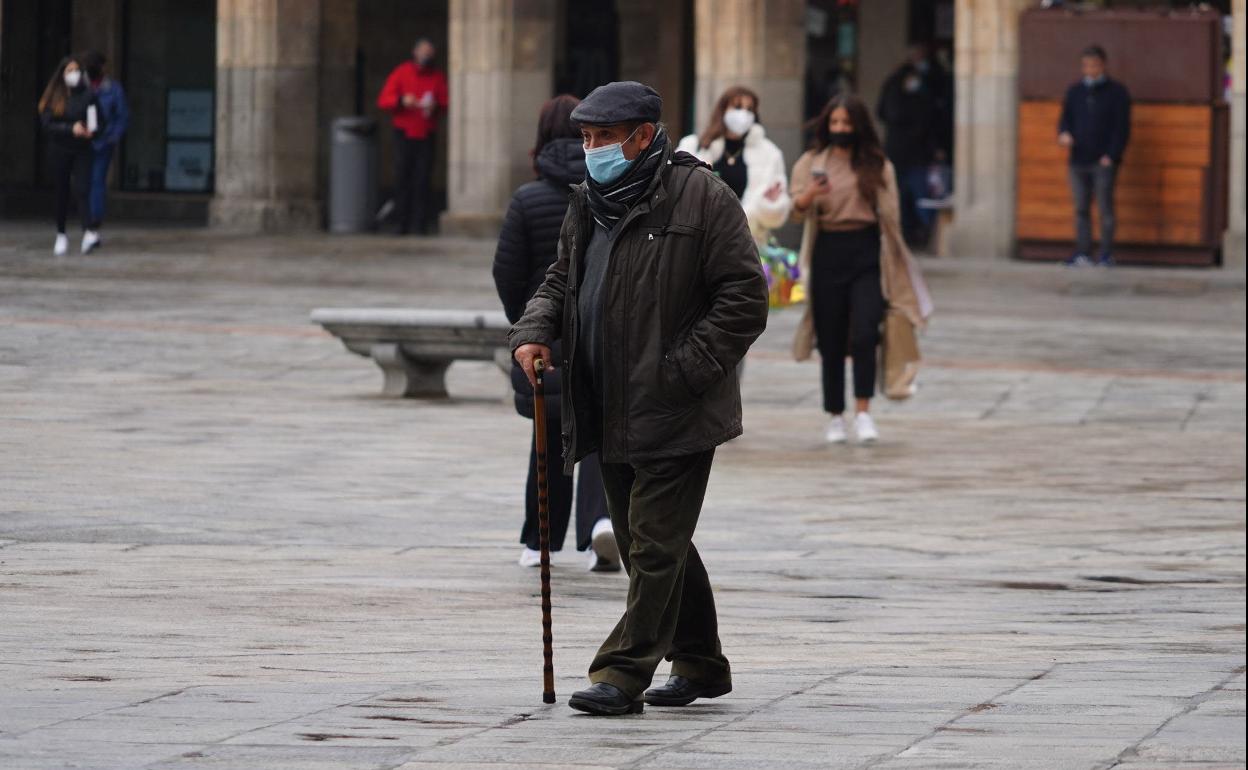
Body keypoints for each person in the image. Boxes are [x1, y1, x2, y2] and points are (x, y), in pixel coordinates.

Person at [509, 81, 769, 716]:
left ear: (643, 136)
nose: (592, 149)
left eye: (604, 138)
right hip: (606, 399)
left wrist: (683, 368)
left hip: (676, 403)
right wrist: (536, 329)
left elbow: (745, 296)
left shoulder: (701, 196)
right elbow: (561, 278)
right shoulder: (587, 203)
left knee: (653, 544)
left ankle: (622, 672)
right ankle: (702, 660)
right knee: (645, 541)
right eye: (586, 138)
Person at [493, 95, 618, 573]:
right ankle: (598, 529)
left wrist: (525, 324)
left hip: (540, 340)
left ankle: (538, 539)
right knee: (598, 434)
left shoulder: (527, 199)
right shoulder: (602, 195)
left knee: (546, 435)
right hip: (595, 333)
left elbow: (506, 273)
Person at [790, 94, 932, 445]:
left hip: (867, 250)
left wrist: (898, 265)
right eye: (835, 123)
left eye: (847, 123)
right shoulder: (811, 162)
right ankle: (835, 415)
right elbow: (795, 210)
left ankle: (864, 411)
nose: (840, 129)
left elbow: (893, 217)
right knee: (832, 337)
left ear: (859, 126)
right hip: (828, 251)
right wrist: (809, 194)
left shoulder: (877, 165)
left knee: (867, 331)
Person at [677, 85, 791, 244]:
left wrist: (769, 203)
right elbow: (678, 194)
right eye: (737, 107)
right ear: (723, 109)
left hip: (747, 243)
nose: (744, 113)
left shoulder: (770, 154)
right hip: (699, 242)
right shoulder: (693, 147)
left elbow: (777, 216)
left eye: (749, 109)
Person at [1058, 44, 1131, 267]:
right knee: (1081, 208)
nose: (1090, 69)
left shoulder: (1117, 93)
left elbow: (1122, 127)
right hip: (1078, 158)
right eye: (1086, 65)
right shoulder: (1075, 91)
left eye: (1094, 65)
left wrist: (1112, 154)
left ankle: (1106, 254)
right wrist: (1064, 134)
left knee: (1104, 208)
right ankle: (1083, 252)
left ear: (1103, 65)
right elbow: (1065, 119)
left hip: (1103, 160)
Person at [876, 43, 946, 246]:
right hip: (915, 153)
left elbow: (881, 112)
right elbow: (930, 116)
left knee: (904, 199)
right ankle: (919, 237)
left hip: (900, 151)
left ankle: (906, 237)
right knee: (918, 199)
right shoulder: (913, 88)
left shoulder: (895, 83)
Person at [377, 37, 448, 235]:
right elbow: (384, 100)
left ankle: (420, 224)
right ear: (415, 52)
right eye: (424, 51)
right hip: (404, 132)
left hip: (426, 132)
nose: (427, 55)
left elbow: (445, 102)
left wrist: (436, 106)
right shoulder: (402, 72)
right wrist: (402, 100)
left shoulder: (436, 77)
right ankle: (402, 223)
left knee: (422, 179)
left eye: (430, 52)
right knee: (402, 179)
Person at [38, 56, 98, 256]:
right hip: (60, 148)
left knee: (82, 188)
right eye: (69, 70)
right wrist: (70, 128)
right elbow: (47, 125)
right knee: (62, 191)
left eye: (76, 70)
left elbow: (99, 120)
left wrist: (93, 131)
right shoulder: (54, 97)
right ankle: (61, 233)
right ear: (62, 74)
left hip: (82, 148)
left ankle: (89, 231)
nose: (74, 74)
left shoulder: (88, 95)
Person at [80, 51, 129, 253]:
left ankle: (93, 223)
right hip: (81, 142)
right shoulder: (79, 88)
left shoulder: (112, 89)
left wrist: (112, 137)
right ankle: (88, 225)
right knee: (83, 183)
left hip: (102, 143)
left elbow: (122, 115)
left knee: (96, 181)